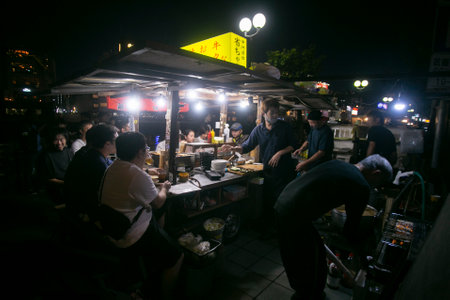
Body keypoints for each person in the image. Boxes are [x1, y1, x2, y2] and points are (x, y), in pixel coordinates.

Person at [274, 155, 393, 300]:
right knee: (308, 266)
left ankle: (309, 292)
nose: (377, 187)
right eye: (379, 183)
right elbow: (351, 230)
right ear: (376, 173)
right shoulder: (361, 185)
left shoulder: (340, 164)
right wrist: (363, 256)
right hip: (294, 214)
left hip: (284, 202)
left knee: (304, 256)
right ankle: (306, 295)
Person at [100, 132, 183, 300]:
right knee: (176, 256)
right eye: (145, 148)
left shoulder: (113, 167)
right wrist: (165, 188)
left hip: (113, 228)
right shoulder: (137, 175)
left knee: (157, 215)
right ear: (139, 152)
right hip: (132, 234)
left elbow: (133, 186)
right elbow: (158, 202)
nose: (146, 151)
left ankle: (154, 257)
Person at [222, 99, 297, 234]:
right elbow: (246, 146)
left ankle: (283, 230)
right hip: (268, 172)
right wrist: (233, 148)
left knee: (283, 202)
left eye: (276, 113)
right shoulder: (258, 130)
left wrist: (280, 153)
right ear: (264, 113)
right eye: (272, 113)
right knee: (268, 202)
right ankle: (269, 229)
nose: (275, 115)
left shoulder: (284, 127)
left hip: (284, 172)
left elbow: (293, 145)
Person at [64, 124, 118, 223]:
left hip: (76, 205)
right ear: (107, 144)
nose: (119, 143)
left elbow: (113, 165)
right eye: (116, 141)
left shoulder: (92, 153)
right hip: (85, 211)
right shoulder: (96, 162)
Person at [36, 128, 73, 203]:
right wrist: (67, 184)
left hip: (69, 186)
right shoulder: (46, 156)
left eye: (61, 139)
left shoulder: (68, 151)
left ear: (66, 139)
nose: (59, 143)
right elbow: (48, 178)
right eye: (56, 140)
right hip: (55, 189)